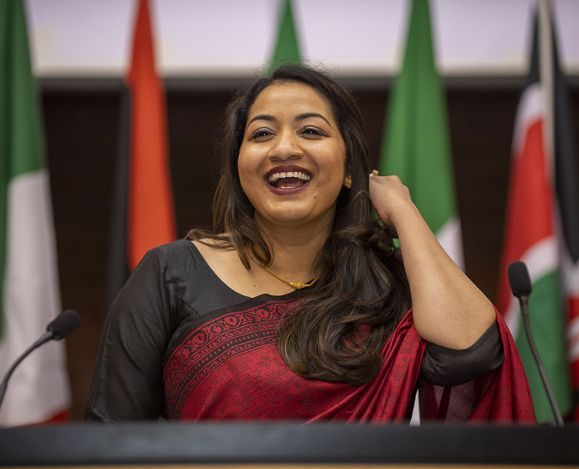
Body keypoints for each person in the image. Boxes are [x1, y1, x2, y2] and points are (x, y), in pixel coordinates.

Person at [86, 64, 535, 422]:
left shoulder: (386, 289)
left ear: (347, 170)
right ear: (240, 168)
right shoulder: (171, 274)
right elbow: (111, 433)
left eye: (312, 131)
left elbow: (474, 351)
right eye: (261, 133)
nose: (284, 148)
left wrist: (403, 212)